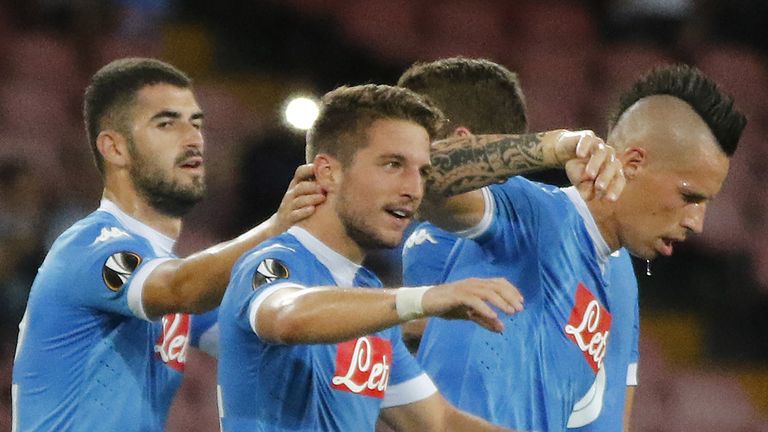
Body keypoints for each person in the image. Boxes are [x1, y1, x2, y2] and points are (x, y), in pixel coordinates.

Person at [413, 64, 745, 430]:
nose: (696, 222)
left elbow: (605, 423)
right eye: (689, 196)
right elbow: (420, 177)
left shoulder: (620, 279)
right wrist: (555, 146)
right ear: (633, 163)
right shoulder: (535, 214)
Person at [11, 57, 325, 431]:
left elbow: (271, 330)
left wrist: (398, 320)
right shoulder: (92, 246)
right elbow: (181, 288)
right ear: (115, 148)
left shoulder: (165, 270)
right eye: (166, 123)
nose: (193, 139)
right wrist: (276, 228)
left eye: (196, 123)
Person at [216, 83, 539, 431]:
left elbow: (440, 423)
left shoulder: (368, 299)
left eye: (423, 172)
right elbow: (286, 317)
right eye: (393, 165)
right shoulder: (274, 262)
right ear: (328, 172)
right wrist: (426, 298)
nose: (413, 189)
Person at [399, 57, 640, 431]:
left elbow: (435, 364)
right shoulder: (615, 255)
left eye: (402, 145)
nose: (392, 166)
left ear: (459, 145)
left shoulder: (439, 236)